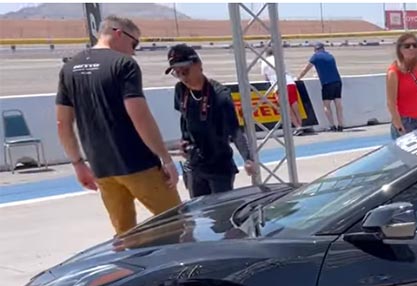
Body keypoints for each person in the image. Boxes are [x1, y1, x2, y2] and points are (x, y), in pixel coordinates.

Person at [55, 15, 180, 236]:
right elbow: (139, 114)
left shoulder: (69, 68)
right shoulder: (124, 64)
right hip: (138, 164)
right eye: (134, 44)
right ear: (119, 33)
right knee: (177, 225)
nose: (133, 51)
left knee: (124, 234)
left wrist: (77, 163)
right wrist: (166, 158)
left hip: (102, 169)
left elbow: (62, 123)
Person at [166, 44, 256, 197]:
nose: (182, 77)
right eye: (177, 73)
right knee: (199, 213)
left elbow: (234, 130)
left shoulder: (220, 94)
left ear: (198, 65)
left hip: (219, 166)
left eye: (185, 71)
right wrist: (184, 141)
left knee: (221, 214)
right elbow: (184, 117)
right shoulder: (180, 90)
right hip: (194, 166)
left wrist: (247, 159)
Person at [386, 33, 417, 139]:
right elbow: (391, 103)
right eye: (407, 46)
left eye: (415, 45)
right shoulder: (394, 73)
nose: (411, 48)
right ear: (400, 49)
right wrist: (399, 127)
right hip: (404, 122)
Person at [297, 42, 343, 132]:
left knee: (326, 105)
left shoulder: (315, 57)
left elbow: (305, 69)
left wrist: (298, 78)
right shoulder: (330, 56)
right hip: (337, 81)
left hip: (327, 83)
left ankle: (332, 125)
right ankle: (341, 125)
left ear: (315, 49)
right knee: (338, 104)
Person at [260, 48, 306, 135]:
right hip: (290, 82)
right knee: (294, 105)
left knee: (286, 108)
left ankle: (297, 126)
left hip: (279, 85)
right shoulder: (279, 58)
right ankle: (300, 124)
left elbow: (265, 76)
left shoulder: (264, 61)